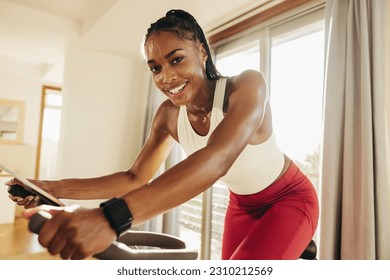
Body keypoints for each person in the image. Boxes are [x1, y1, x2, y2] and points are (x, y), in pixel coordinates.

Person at [6, 9, 319, 260]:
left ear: (202, 51)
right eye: (155, 68)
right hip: (242, 205)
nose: (167, 77)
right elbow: (133, 178)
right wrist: (49, 187)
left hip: (289, 198)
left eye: (177, 59)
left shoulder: (246, 86)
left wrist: (110, 218)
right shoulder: (169, 116)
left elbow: (218, 157)